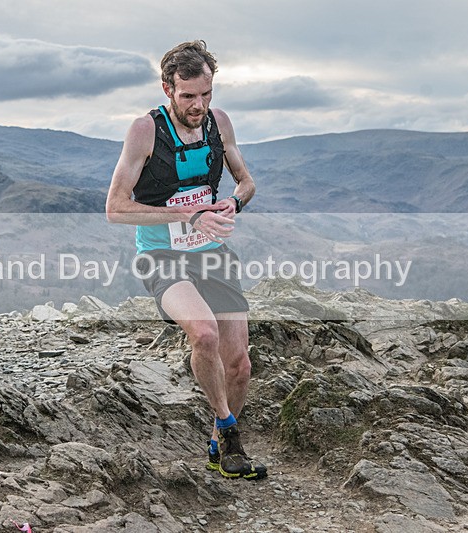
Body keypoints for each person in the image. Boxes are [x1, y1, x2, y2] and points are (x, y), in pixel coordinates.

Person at [106, 40, 266, 480]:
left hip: (212, 253)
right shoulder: (145, 131)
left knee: (239, 364)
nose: (199, 105)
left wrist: (234, 202)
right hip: (160, 256)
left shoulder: (219, 123)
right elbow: (115, 207)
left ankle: (218, 442)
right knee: (204, 333)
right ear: (167, 89)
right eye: (189, 96)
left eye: (206, 94)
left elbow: (247, 180)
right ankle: (231, 432)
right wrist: (189, 213)